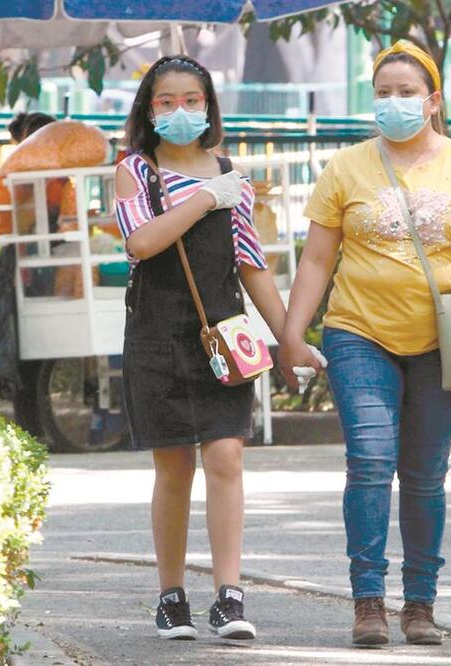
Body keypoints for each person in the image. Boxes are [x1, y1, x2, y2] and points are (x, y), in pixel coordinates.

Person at [279, 41, 451, 647]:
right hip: (359, 332)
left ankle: (421, 605)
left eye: (406, 93)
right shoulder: (345, 168)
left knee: (426, 474)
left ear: (432, 101)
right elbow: (317, 260)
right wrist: (291, 335)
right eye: (383, 93)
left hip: (443, 341)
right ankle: (369, 602)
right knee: (372, 462)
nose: (394, 103)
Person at [113, 55, 287, 641]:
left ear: (209, 106)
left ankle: (229, 597)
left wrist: (290, 338)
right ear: (149, 108)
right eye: (167, 101)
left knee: (226, 457)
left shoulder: (228, 171)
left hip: (223, 332)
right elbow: (141, 242)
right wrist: (204, 198)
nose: (180, 110)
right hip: (156, 333)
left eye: (192, 100)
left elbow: (251, 263)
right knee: (173, 465)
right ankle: (171, 596)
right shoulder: (136, 171)